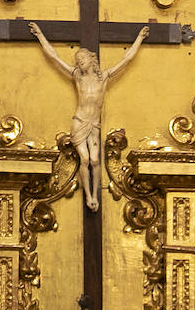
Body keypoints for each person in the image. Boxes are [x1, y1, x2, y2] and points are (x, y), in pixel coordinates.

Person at [28, 22, 150, 211]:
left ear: (91, 60)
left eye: (81, 59)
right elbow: (54, 57)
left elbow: (126, 59)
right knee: (84, 159)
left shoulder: (104, 77)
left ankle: (96, 196)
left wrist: (140, 38)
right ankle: (89, 196)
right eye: (77, 60)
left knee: (95, 160)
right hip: (79, 122)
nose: (79, 62)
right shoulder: (78, 76)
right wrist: (40, 35)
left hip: (94, 124)